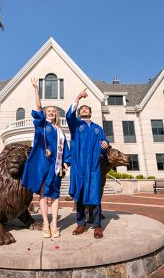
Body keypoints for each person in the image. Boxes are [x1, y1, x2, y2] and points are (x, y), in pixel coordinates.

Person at [22, 78, 70, 238]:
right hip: (44, 164)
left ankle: (55, 223)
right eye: (48, 110)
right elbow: (38, 107)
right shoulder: (42, 125)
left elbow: (66, 150)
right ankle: (45, 223)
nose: (51, 112)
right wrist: (36, 89)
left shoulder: (60, 131)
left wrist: (66, 163)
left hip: (56, 166)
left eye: (53, 110)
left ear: (56, 114)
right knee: (43, 194)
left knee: (55, 195)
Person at [66, 88, 109, 239]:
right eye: (82, 108)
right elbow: (69, 115)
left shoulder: (98, 128)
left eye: (86, 108)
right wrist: (78, 97)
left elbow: (105, 142)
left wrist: (105, 143)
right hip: (79, 166)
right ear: (79, 112)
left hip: (94, 167)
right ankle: (81, 224)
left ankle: (97, 226)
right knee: (80, 195)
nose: (84, 109)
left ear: (90, 112)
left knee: (95, 196)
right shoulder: (76, 125)